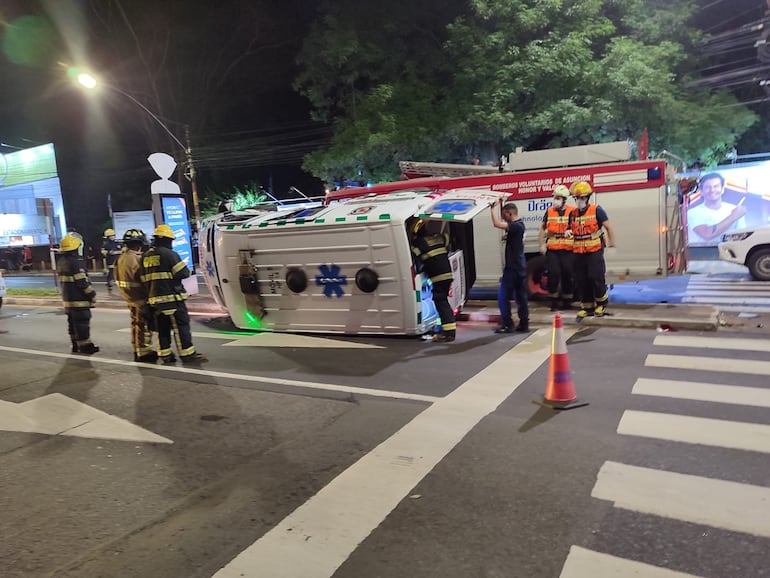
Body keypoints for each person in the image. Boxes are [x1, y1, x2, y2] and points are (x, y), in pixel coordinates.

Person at [140, 224, 207, 364]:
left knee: (162, 329)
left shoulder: (145, 257)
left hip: (155, 301)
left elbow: (142, 279)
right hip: (173, 299)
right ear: (167, 240)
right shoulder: (169, 254)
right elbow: (182, 273)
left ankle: (165, 355)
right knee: (181, 327)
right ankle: (187, 354)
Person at [568, 181, 616, 318]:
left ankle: (601, 304)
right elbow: (570, 228)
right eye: (577, 198)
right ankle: (587, 307)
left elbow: (609, 227)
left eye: (582, 198)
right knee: (582, 280)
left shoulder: (596, 210)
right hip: (578, 252)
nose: (579, 200)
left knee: (596, 277)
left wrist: (612, 244)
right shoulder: (573, 213)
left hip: (594, 250)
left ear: (588, 198)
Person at [410, 219, 457, 343]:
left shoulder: (419, 244)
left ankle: (449, 333)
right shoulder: (438, 237)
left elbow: (416, 261)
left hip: (438, 277)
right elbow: (447, 238)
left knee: (440, 301)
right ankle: (445, 329)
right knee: (442, 301)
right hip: (447, 274)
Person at [115, 229, 157, 363]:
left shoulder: (121, 258)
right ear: (139, 244)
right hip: (140, 297)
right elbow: (144, 279)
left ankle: (136, 347)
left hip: (129, 297)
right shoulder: (137, 259)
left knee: (135, 323)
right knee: (143, 326)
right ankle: (144, 352)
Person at [490, 198, 529, 333]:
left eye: (504, 215)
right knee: (521, 297)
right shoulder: (520, 225)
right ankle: (524, 324)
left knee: (503, 296)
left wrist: (491, 209)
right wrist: (501, 203)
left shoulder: (516, 226)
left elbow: (496, 224)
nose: (503, 218)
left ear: (509, 214)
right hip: (521, 267)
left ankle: (508, 324)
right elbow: (504, 221)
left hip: (512, 268)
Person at [57, 234, 99, 354]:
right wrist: (92, 294)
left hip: (68, 301)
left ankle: (75, 345)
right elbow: (82, 282)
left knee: (72, 324)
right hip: (79, 301)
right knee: (82, 324)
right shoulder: (76, 263)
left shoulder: (61, 261)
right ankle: (85, 346)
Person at [537, 185, 575, 311]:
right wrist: (541, 244)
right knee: (554, 274)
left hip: (568, 250)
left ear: (564, 199)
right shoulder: (549, 211)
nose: (556, 200)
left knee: (568, 275)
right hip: (553, 249)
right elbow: (542, 228)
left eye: (558, 198)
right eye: (555, 197)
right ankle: (553, 301)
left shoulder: (572, 211)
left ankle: (567, 301)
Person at [687, 172, 747, 245]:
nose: (712, 190)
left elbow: (741, 236)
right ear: (701, 192)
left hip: (731, 252)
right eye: (708, 187)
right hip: (703, 254)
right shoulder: (693, 213)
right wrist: (733, 216)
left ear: (722, 189)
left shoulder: (735, 209)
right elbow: (707, 234)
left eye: (716, 186)